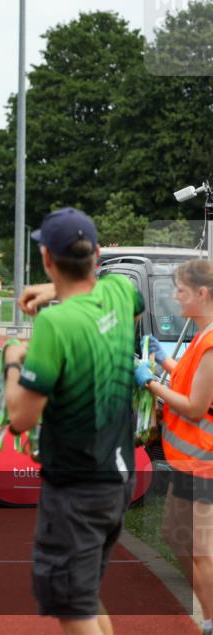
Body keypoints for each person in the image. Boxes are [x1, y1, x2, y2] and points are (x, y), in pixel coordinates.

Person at [4, 208, 144, 635]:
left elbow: (20, 417)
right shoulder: (120, 292)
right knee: (85, 594)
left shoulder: (55, 325)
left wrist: (13, 362)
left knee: (73, 608)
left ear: (47, 257)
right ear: (97, 254)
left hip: (76, 487)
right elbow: (115, 293)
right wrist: (53, 290)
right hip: (117, 477)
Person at [136, 259, 213, 635]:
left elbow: (195, 406)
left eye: (181, 290)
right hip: (190, 461)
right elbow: (185, 378)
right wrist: (161, 359)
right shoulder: (201, 336)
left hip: (206, 463)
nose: (175, 296)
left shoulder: (212, 342)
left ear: (202, 294)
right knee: (174, 535)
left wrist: (151, 382)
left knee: (202, 549)